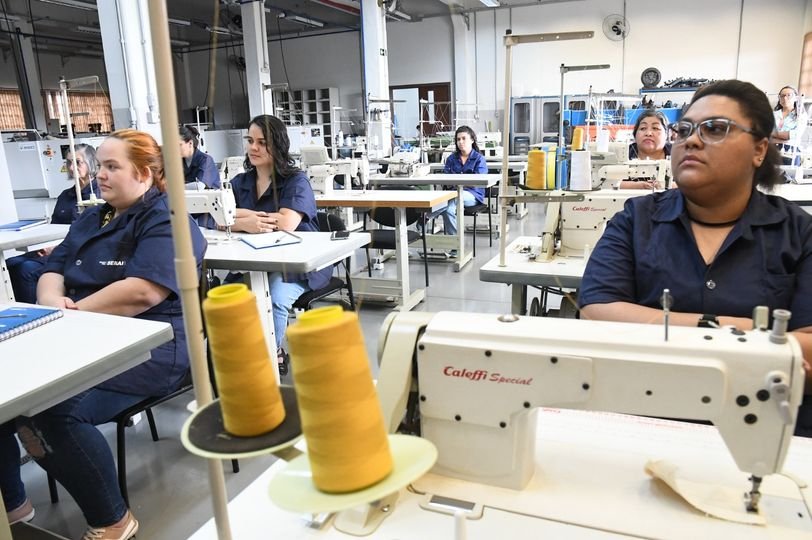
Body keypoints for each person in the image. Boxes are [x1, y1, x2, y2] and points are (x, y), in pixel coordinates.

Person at [0, 129, 207, 539]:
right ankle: (14, 504)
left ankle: (113, 520)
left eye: (112, 167)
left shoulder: (167, 221)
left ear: (144, 174)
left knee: (51, 412)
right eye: (100, 166)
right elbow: (53, 268)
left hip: (150, 348)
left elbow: (143, 292)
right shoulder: (93, 217)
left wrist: (72, 313)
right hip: (78, 336)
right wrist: (53, 301)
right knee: (7, 392)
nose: (100, 175)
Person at [579, 79, 812, 436]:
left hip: (765, 426)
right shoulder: (636, 220)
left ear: (759, 149)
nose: (691, 140)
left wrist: (662, 329)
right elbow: (597, 312)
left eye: (715, 129)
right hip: (647, 421)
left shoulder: (799, 233)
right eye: (684, 130)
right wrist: (749, 332)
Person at [228, 114, 330, 369]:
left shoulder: (296, 181)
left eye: (262, 142)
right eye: (250, 140)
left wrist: (240, 217)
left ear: (278, 145)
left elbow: (286, 223)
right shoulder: (240, 182)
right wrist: (245, 223)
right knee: (225, 299)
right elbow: (216, 216)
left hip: (296, 265)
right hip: (255, 260)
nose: (253, 147)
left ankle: (271, 358)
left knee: (274, 299)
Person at [7, 143, 100, 303]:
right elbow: (54, 226)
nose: (71, 167)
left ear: (91, 163)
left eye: (77, 162)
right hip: (54, 248)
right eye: (68, 162)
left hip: (76, 252)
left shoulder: (98, 195)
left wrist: (56, 247)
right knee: (10, 263)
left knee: (26, 269)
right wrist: (45, 246)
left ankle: (36, 313)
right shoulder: (65, 196)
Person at [436, 126, 488, 257]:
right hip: (453, 195)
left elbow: (478, 181)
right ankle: (456, 247)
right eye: (458, 139)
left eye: (464, 138)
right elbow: (446, 179)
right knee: (448, 209)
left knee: (453, 198)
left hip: (473, 195)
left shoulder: (479, 159)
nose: (461, 142)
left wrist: (458, 182)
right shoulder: (451, 159)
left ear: (472, 140)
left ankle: (427, 216)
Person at [622, 109, 671, 189]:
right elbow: (608, 183)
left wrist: (666, 186)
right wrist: (638, 186)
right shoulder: (623, 153)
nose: (648, 133)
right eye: (643, 128)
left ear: (666, 134)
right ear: (635, 134)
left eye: (655, 128)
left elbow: (691, 183)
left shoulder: (679, 154)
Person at [771, 85, 808, 165]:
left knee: (788, 173)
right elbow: (765, 132)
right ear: (779, 98)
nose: (785, 98)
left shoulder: (801, 115)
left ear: (796, 98)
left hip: (791, 152)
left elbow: (794, 135)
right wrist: (782, 136)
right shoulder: (773, 114)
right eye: (782, 96)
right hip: (772, 150)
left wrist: (773, 134)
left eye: (789, 95)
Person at [179, 125, 220, 189]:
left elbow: (200, 186)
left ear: (190, 143)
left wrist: (176, 188)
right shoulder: (179, 162)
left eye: (179, 145)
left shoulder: (205, 160)